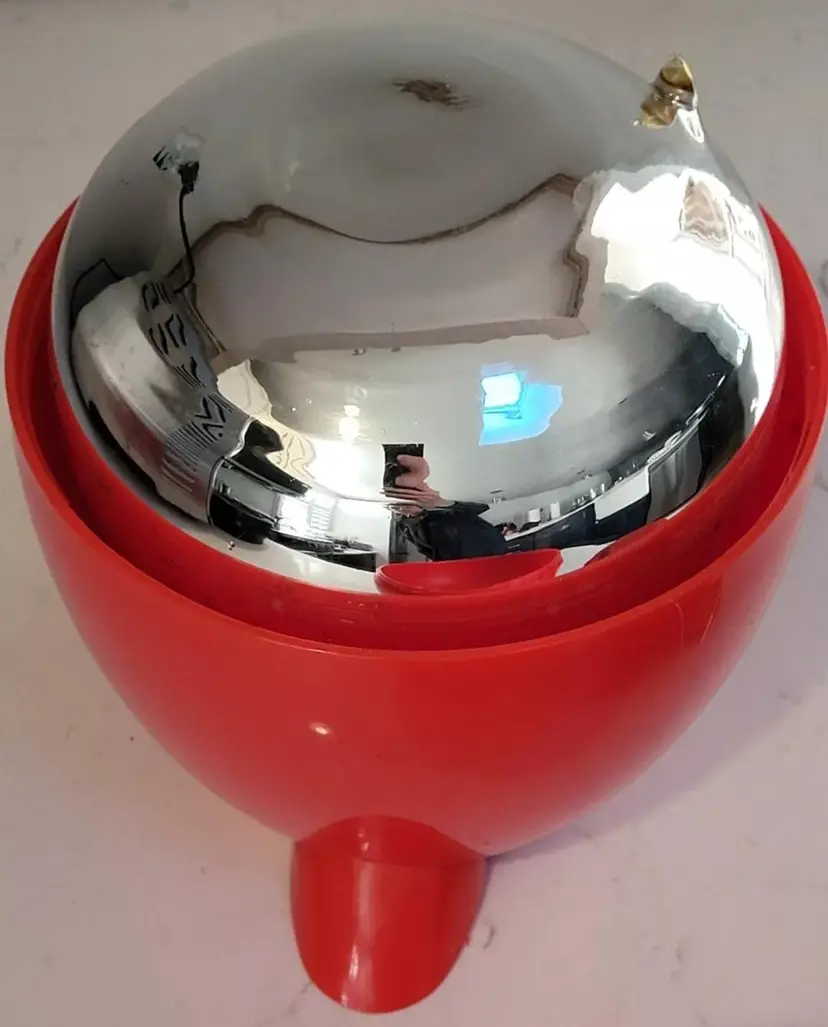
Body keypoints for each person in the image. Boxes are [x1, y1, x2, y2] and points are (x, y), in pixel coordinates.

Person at [385, 454, 507, 561]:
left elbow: (478, 511)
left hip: (459, 546)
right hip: (459, 544)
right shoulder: (495, 545)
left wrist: (441, 505)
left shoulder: (495, 544)